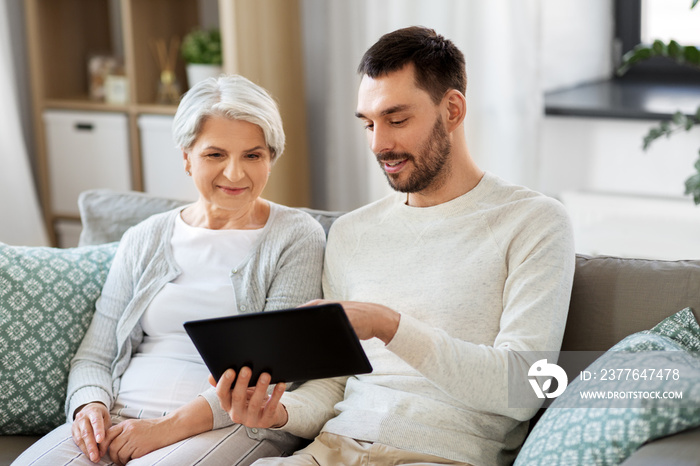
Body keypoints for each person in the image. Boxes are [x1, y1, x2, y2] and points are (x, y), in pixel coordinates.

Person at [212, 27, 576, 466]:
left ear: (453, 109)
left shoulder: (533, 222)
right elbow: (335, 386)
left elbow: (525, 388)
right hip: (329, 450)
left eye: (397, 119)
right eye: (368, 123)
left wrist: (387, 324)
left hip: (440, 455)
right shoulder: (351, 233)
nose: (379, 144)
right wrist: (279, 413)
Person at [14, 75, 326, 466]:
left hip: (231, 424)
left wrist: (164, 429)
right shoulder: (144, 237)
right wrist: (88, 407)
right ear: (186, 157)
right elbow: (95, 355)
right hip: (120, 415)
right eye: (215, 155)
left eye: (253, 155)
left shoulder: (296, 236)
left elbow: (272, 372)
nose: (234, 174)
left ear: (271, 158)